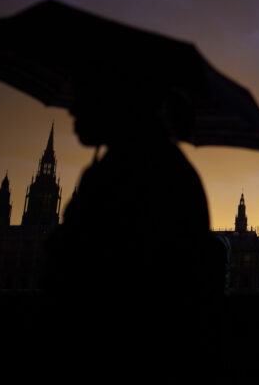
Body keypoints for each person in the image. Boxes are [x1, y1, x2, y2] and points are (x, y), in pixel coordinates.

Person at [41, 67, 226, 379]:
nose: (72, 109)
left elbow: (86, 276)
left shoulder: (124, 174)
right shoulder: (166, 166)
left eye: (84, 96)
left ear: (115, 103)